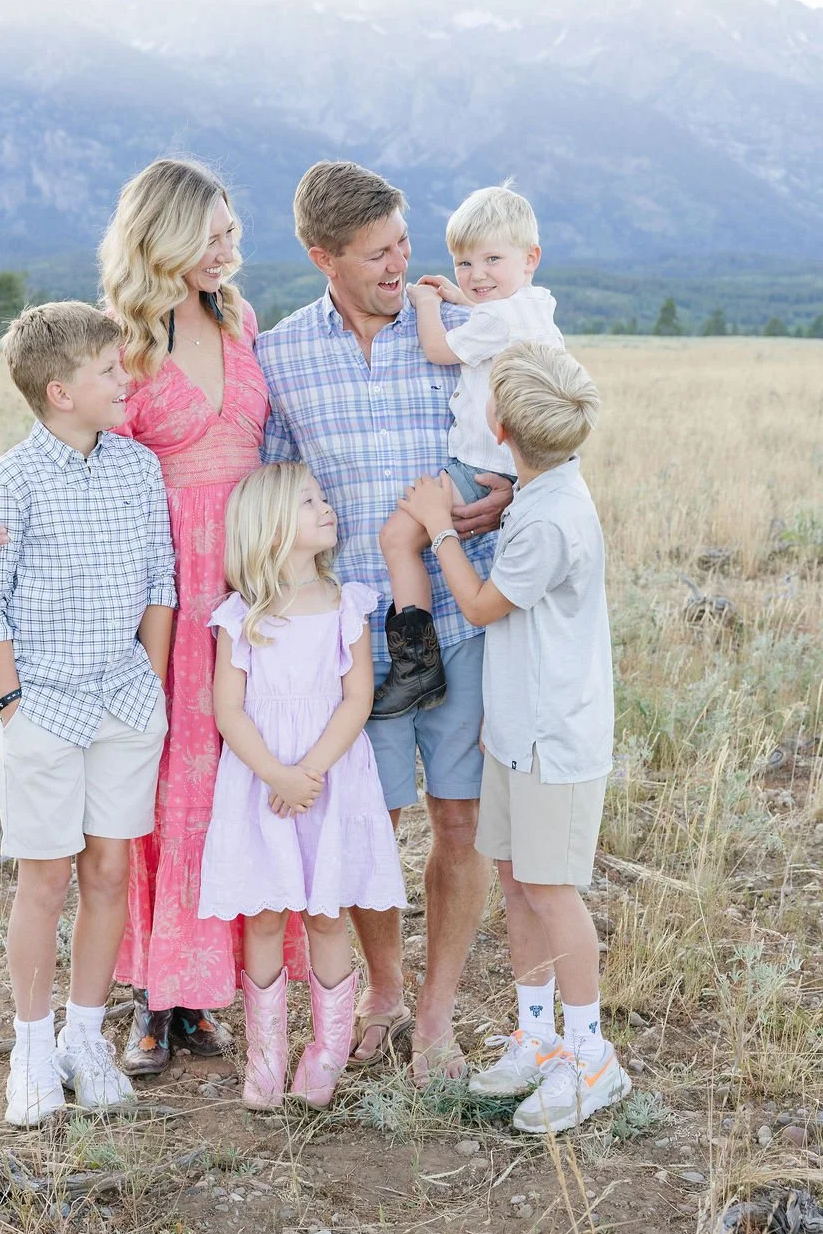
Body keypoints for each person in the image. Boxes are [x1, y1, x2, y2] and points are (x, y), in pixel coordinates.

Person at [0, 159, 307, 1078]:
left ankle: (220, 985)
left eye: (234, 233)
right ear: (162, 240)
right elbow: (63, 453)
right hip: (161, 585)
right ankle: (158, 995)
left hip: (251, 572)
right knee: (163, 791)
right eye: (213, 237)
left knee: (240, 774)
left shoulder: (242, 320)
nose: (230, 252)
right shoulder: (123, 342)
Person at [256, 161, 513, 1086]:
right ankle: (385, 991)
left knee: (459, 819)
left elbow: (535, 426)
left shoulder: (464, 332)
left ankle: (437, 1019)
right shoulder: (281, 355)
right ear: (323, 257)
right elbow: (270, 491)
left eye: (405, 242)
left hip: (463, 614)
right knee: (366, 824)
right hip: (356, 635)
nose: (402, 263)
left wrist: (508, 491)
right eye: (378, 253)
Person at [397, 341, 631, 1132]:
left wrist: (440, 530)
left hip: (555, 739)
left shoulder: (552, 519)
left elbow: (483, 605)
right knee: (517, 876)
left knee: (553, 889)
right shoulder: (539, 492)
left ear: (495, 424)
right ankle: (536, 1037)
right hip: (516, 732)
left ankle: (592, 1056)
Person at [0, 302, 174, 1126]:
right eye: (110, 371)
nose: (126, 380)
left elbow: (160, 581)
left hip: (123, 700)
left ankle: (88, 1035)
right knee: (45, 877)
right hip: (43, 706)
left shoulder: (136, 470)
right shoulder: (7, 482)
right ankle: (32, 1044)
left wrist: (148, 684)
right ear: (59, 391)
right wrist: (13, 707)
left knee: (110, 869)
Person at [199, 464, 407, 1110]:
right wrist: (277, 774)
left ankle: (325, 1057)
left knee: (325, 914)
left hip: (330, 778)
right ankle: (264, 1060)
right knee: (263, 917)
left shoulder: (347, 604)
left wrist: (309, 773)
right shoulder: (241, 616)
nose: (326, 507)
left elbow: (358, 697)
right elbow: (228, 709)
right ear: (271, 528)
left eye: (321, 497)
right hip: (263, 781)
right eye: (308, 501)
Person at [372, 183, 564, 718]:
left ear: (530, 258)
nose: (476, 275)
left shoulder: (500, 319)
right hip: (513, 465)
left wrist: (428, 300)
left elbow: (438, 349)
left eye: (491, 260)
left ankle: (417, 666)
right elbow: (493, 318)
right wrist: (464, 300)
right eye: (464, 263)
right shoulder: (533, 307)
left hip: (482, 464)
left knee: (396, 537)